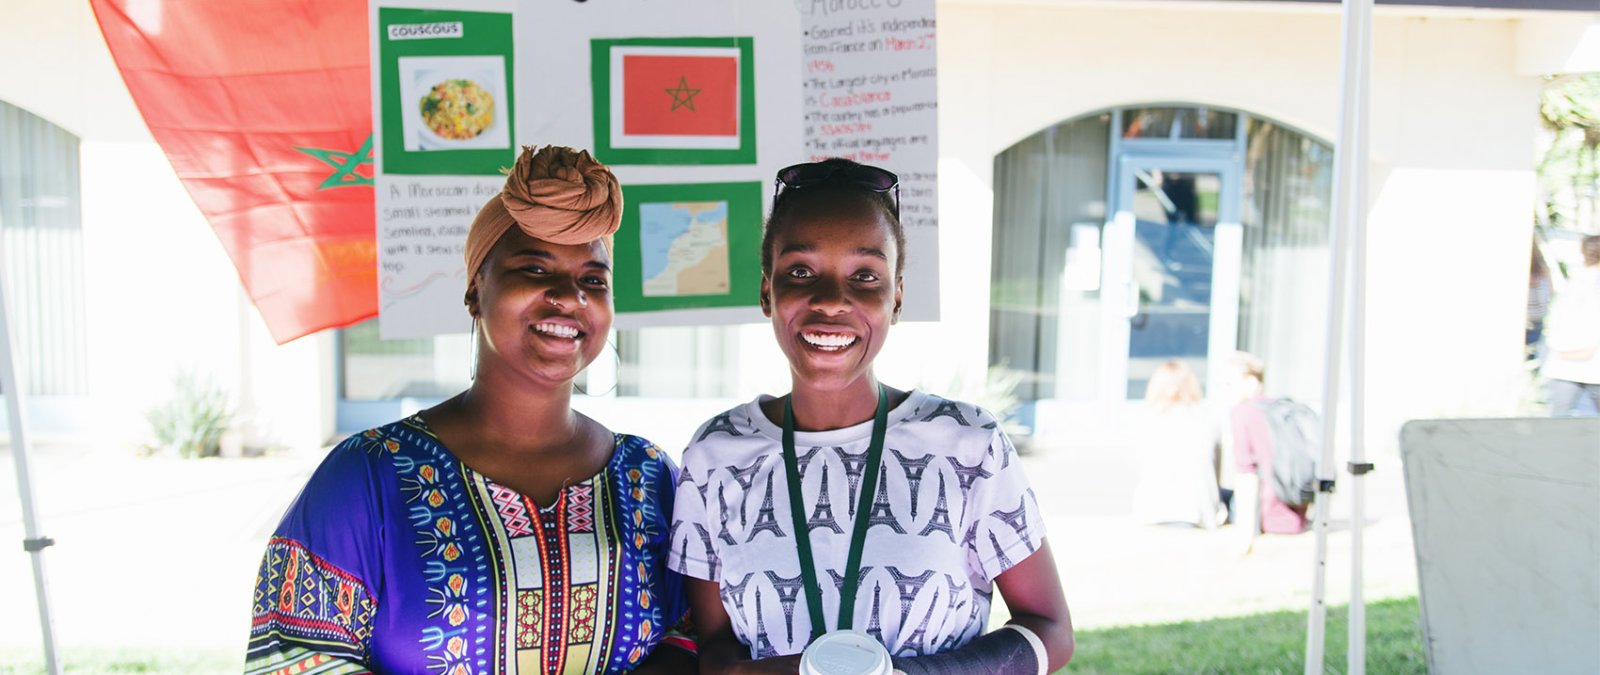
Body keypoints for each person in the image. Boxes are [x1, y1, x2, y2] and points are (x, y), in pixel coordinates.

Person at [246, 146, 694, 674]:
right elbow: (294, 658)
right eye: (534, 267)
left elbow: (694, 639)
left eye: (593, 279)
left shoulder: (648, 477)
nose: (569, 296)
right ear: (475, 292)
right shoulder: (366, 475)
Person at [667, 159, 1073, 673]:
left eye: (865, 275)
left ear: (896, 297)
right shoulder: (715, 456)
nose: (832, 300)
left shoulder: (969, 447)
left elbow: (1051, 629)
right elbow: (716, 645)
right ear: (767, 290)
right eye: (800, 271)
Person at [1130, 361, 1225, 529]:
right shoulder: (1205, 419)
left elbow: (1139, 466)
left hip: (1153, 509)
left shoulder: (1147, 419)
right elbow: (1215, 468)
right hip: (1197, 511)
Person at [1224, 351, 1307, 544]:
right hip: (1294, 515)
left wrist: (1244, 537)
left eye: (1229, 384)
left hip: (1267, 516)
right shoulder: (1282, 409)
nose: (1225, 392)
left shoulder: (1243, 411)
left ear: (1251, 382)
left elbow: (1246, 475)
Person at [1542, 234, 1600, 417]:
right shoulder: (1583, 282)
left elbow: (1553, 316)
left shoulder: (1573, 282)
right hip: (1593, 365)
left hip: (1563, 362)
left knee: (1556, 423)